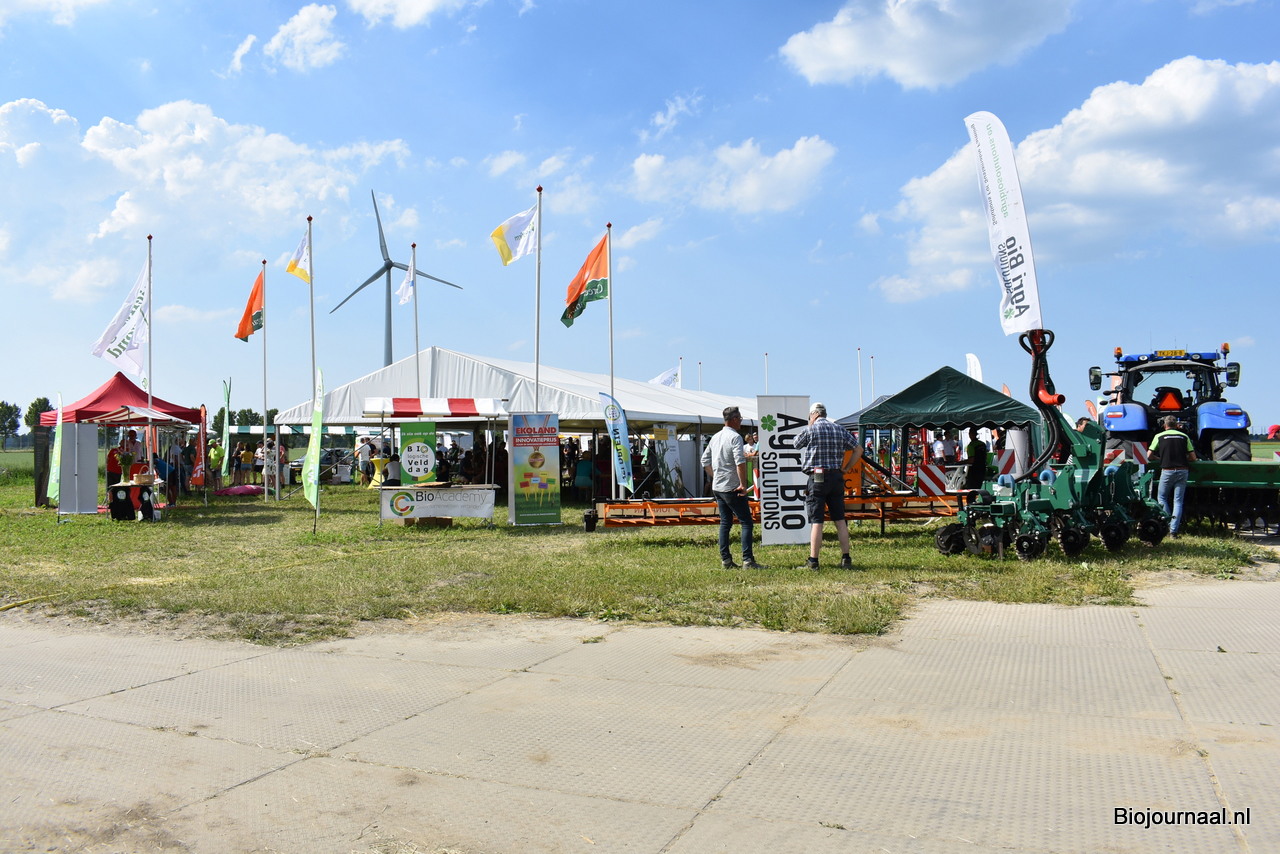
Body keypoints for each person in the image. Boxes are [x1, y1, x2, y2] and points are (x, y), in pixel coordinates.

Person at [795, 402, 862, 570]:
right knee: (840, 519)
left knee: (817, 521)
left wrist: (809, 425)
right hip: (836, 475)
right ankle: (846, 558)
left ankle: (813, 561)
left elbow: (796, 443)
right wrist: (846, 468)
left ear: (814, 414)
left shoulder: (811, 429)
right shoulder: (839, 429)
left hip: (817, 476)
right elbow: (858, 449)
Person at [700, 405, 762, 569]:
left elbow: (704, 461)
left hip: (718, 487)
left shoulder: (715, 437)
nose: (741, 421)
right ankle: (748, 560)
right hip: (732, 487)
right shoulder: (735, 437)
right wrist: (743, 484)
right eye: (740, 419)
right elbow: (740, 462)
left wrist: (715, 476)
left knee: (725, 523)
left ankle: (726, 560)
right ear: (734, 419)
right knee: (746, 522)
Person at [1148, 415, 1197, 537]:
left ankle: (1168, 523)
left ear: (1164, 425)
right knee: (1178, 501)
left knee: (1162, 498)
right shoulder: (1184, 436)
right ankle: (1173, 531)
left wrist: (1159, 458)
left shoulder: (1159, 436)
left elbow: (1149, 455)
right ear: (1177, 426)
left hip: (1167, 471)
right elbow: (1193, 458)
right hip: (1183, 471)